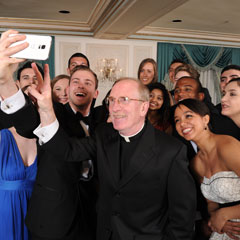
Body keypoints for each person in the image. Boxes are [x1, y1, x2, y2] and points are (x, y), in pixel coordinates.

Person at [20, 72, 197, 240]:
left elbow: (183, 218)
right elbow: (67, 150)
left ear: (144, 107)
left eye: (124, 100)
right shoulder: (104, 133)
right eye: (111, 100)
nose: (115, 107)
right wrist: (45, 109)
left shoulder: (171, 150)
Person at [0, 30, 101, 240]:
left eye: (88, 83)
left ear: (96, 92)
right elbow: (26, 123)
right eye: (75, 82)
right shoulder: (52, 114)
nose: (80, 86)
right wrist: (4, 82)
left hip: (95, 219)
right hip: (52, 221)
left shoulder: (107, 120)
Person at [174, 98, 240, 240]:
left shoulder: (227, 146)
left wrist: (224, 214)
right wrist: (217, 219)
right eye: (177, 120)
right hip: (224, 229)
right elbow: (211, 202)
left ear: (205, 119)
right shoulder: (195, 163)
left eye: (188, 115)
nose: (182, 123)